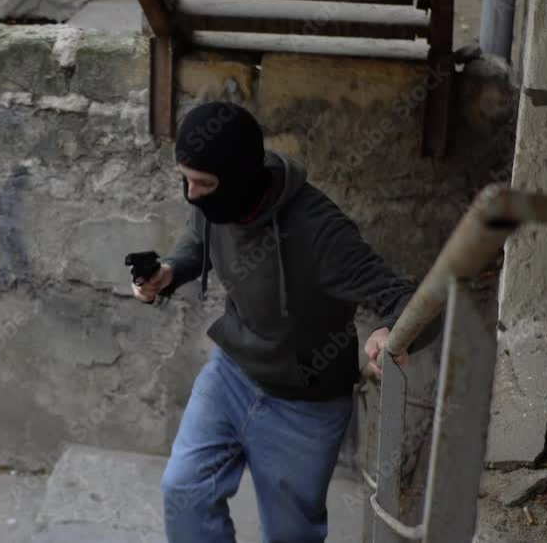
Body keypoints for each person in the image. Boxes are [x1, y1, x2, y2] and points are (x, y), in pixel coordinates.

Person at [132, 102, 441, 543]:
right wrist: (168, 272)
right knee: (184, 488)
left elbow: (413, 300)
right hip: (232, 375)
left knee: (291, 534)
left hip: (307, 404)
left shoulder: (320, 232)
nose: (191, 194)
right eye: (186, 179)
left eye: (202, 184)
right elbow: (197, 239)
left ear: (239, 177)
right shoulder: (211, 199)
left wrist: (391, 331)